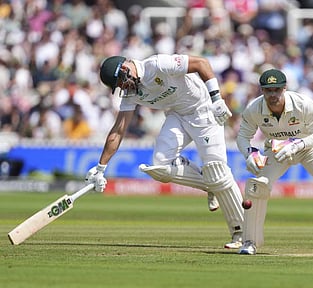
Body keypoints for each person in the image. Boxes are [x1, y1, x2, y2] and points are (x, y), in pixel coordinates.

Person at [85, 54, 244, 249]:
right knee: (160, 164)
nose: (123, 87)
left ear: (126, 67)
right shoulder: (130, 93)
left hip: (204, 111)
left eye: (121, 81)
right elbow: (118, 131)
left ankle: (241, 234)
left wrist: (216, 99)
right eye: (118, 86)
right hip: (177, 115)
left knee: (218, 170)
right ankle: (210, 184)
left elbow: (201, 63)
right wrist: (100, 167)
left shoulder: (157, 65)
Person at [236, 69, 313, 257]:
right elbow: (243, 137)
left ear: (284, 88)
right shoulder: (254, 109)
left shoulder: (303, 104)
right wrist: (250, 154)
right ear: (262, 90)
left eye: (277, 90)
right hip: (277, 151)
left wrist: (297, 144)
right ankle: (250, 242)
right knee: (257, 186)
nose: (273, 95)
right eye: (268, 90)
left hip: (310, 148)